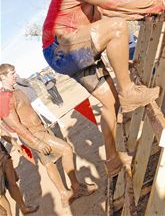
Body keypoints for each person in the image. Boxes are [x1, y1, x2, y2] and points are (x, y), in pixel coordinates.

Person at [42, 0, 165, 176]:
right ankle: (128, 91)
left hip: (70, 53)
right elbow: (112, 0)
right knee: (116, 27)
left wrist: (143, 14)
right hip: (63, 49)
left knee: (109, 102)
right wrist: (159, 2)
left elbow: (111, 8)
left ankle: (112, 161)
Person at [0, 64, 97, 208]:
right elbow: (16, 126)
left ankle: (64, 195)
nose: (15, 75)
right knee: (66, 149)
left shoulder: (16, 90)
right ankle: (76, 188)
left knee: (49, 163)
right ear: (2, 77)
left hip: (40, 129)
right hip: (33, 134)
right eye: (12, 73)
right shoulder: (3, 99)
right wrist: (36, 142)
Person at [0, 137, 39, 215]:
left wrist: (16, 145)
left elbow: (1, 131)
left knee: (12, 184)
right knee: (1, 195)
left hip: (3, 155)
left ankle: (23, 208)